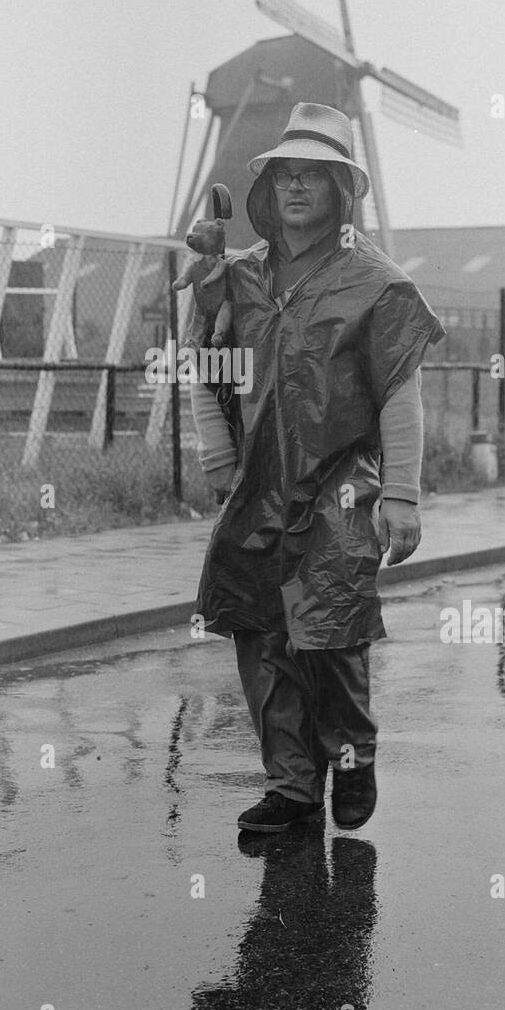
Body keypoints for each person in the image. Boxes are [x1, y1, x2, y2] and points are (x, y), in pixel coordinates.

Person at [173, 102, 444, 833]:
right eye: (284, 175)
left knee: (328, 632)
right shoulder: (232, 280)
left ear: (339, 190)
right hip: (255, 485)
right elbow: (206, 370)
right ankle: (291, 787)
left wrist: (401, 496)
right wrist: (219, 456)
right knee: (260, 634)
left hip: (341, 488)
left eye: (312, 177)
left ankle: (351, 754)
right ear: (267, 188)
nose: (295, 189)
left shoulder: (376, 286)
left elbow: (398, 392)